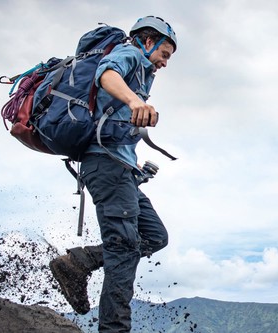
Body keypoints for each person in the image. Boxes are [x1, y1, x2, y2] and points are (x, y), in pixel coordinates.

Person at [48, 16, 177, 332]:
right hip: (106, 166)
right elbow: (106, 74)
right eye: (165, 54)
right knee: (123, 248)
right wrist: (135, 100)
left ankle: (80, 261)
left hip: (122, 171)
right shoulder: (129, 53)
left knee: (155, 236)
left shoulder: (142, 73)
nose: (164, 62)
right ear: (150, 41)